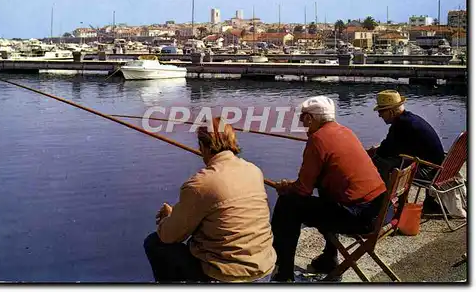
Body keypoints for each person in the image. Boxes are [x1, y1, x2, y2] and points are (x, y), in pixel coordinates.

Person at [144, 117, 276, 283]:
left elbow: (169, 236)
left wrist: (167, 218)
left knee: (154, 243)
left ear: (202, 147)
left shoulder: (200, 184)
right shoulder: (254, 171)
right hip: (263, 270)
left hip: (228, 277)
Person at [270, 96, 387, 282]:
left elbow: (303, 190)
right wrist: (295, 186)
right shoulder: (345, 131)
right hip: (382, 209)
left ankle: (283, 274)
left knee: (287, 205)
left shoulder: (317, 139)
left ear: (310, 118)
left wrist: (286, 187)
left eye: (302, 118)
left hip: (361, 217)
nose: (302, 123)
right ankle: (329, 257)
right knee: (323, 192)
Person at [367, 90, 445, 213]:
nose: (379, 115)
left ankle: (380, 205)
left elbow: (384, 152)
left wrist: (372, 154)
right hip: (439, 168)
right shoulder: (410, 119)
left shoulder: (401, 125)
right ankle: (426, 203)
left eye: (381, 111)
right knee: (390, 161)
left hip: (430, 171)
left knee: (379, 163)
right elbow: (393, 146)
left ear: (391, 111)